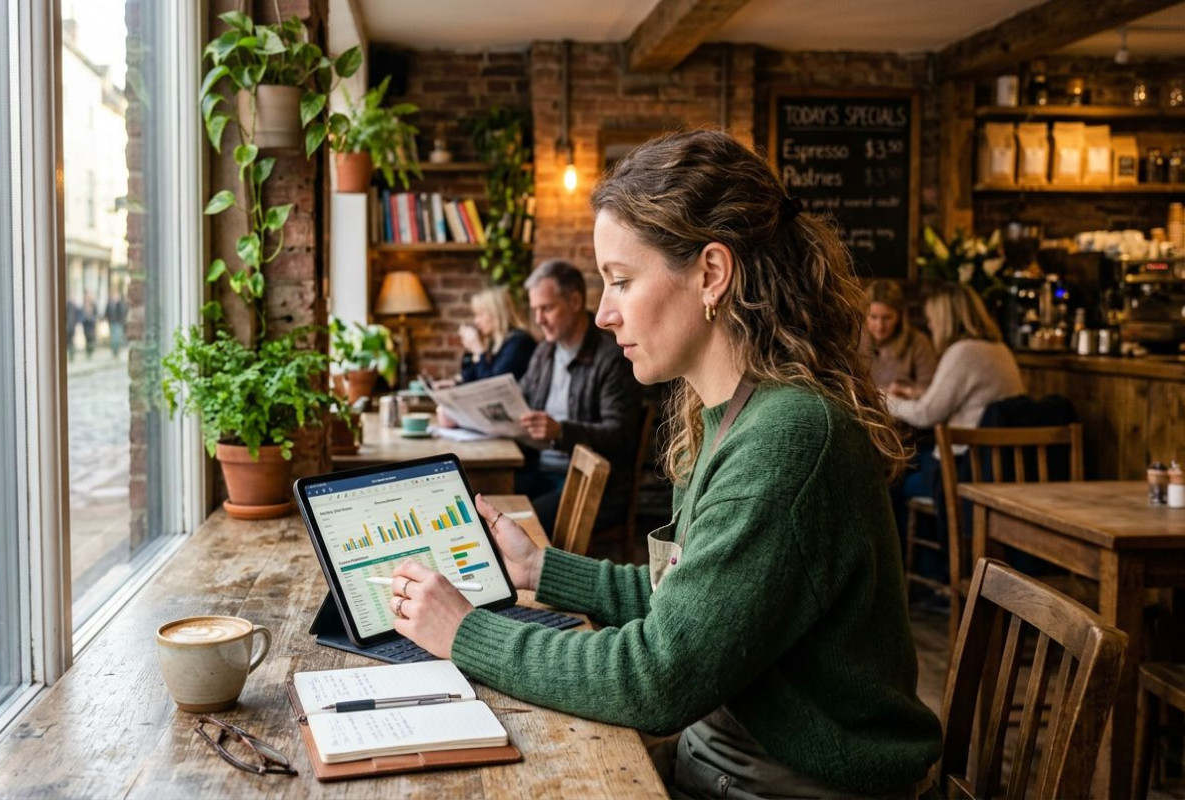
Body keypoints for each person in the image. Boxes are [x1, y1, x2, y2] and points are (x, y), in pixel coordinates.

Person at [384, 130, 941, 799]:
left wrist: (465, 632)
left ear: (711, 273)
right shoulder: (735, 415)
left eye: (621, 280)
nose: (604, 312)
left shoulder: (787, 440)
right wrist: (541, 569)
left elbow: (655, 678)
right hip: (720, 761)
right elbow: (693, 607)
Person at [885, 282, 1026, 547]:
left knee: (892, 476)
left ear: (945, 318)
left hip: (963, 469)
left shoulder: (963, 351)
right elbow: (965, 401)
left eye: (932, 320)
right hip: (994, 464)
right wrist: (914, 392)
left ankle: (923, 570)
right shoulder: (999, 349)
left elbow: (926, 415)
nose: (931, 327)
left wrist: (884, 399)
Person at [513, 259, 641, 536]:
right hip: (540, 469)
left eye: (546, 308)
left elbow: (622, 435)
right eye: (535, 310)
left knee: (516, 524)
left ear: (574, 301)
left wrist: (560, 432)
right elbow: (519, 399)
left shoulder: (612, 358)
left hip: (590, 484)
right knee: (483, 500)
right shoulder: (545, 351)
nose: (538, 319)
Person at [862, 279, 937, 394]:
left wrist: (907, 391)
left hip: (903, 409)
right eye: (873, 317)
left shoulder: (918, 342)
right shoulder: (856, 340)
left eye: (887, 318)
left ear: (900, 316)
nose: (880, 326)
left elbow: (931, 392)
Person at [455, 286, 535, 384]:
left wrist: (478, 349)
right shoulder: (494, 343)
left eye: (480, 315)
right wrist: (471, 351)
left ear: (496, 314)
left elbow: (492, 385)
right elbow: (470, 378)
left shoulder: (519, 342)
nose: (476, 321)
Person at [106, 291, 128, 357]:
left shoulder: (120, 304)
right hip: (112, 322)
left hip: (119, 322)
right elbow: (107, 313)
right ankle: (114, 350)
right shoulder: (109, 304)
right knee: (113, 337)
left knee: (118, 337)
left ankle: (117, 349)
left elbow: (124, 312)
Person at [81, 292, 99, 359]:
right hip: (86, 324)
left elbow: (96, 314)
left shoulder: (94, 305)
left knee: (91, 337)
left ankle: (90, 351)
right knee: (87, 338)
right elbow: (81, 314)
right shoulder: (83, 305)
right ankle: (88, 352)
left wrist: (92, 319)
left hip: (91, 324)